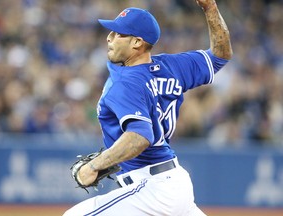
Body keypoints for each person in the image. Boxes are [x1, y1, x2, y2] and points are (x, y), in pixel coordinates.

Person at [63, 0, 232, 215]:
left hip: (152, 190)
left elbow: (139, 137)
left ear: (137, 42)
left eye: (118, 34)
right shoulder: (172, 67)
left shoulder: (126, 83)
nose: (109, 37)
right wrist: (210, 8)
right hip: (174, 182)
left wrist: (93, 165)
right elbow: (221, 54)